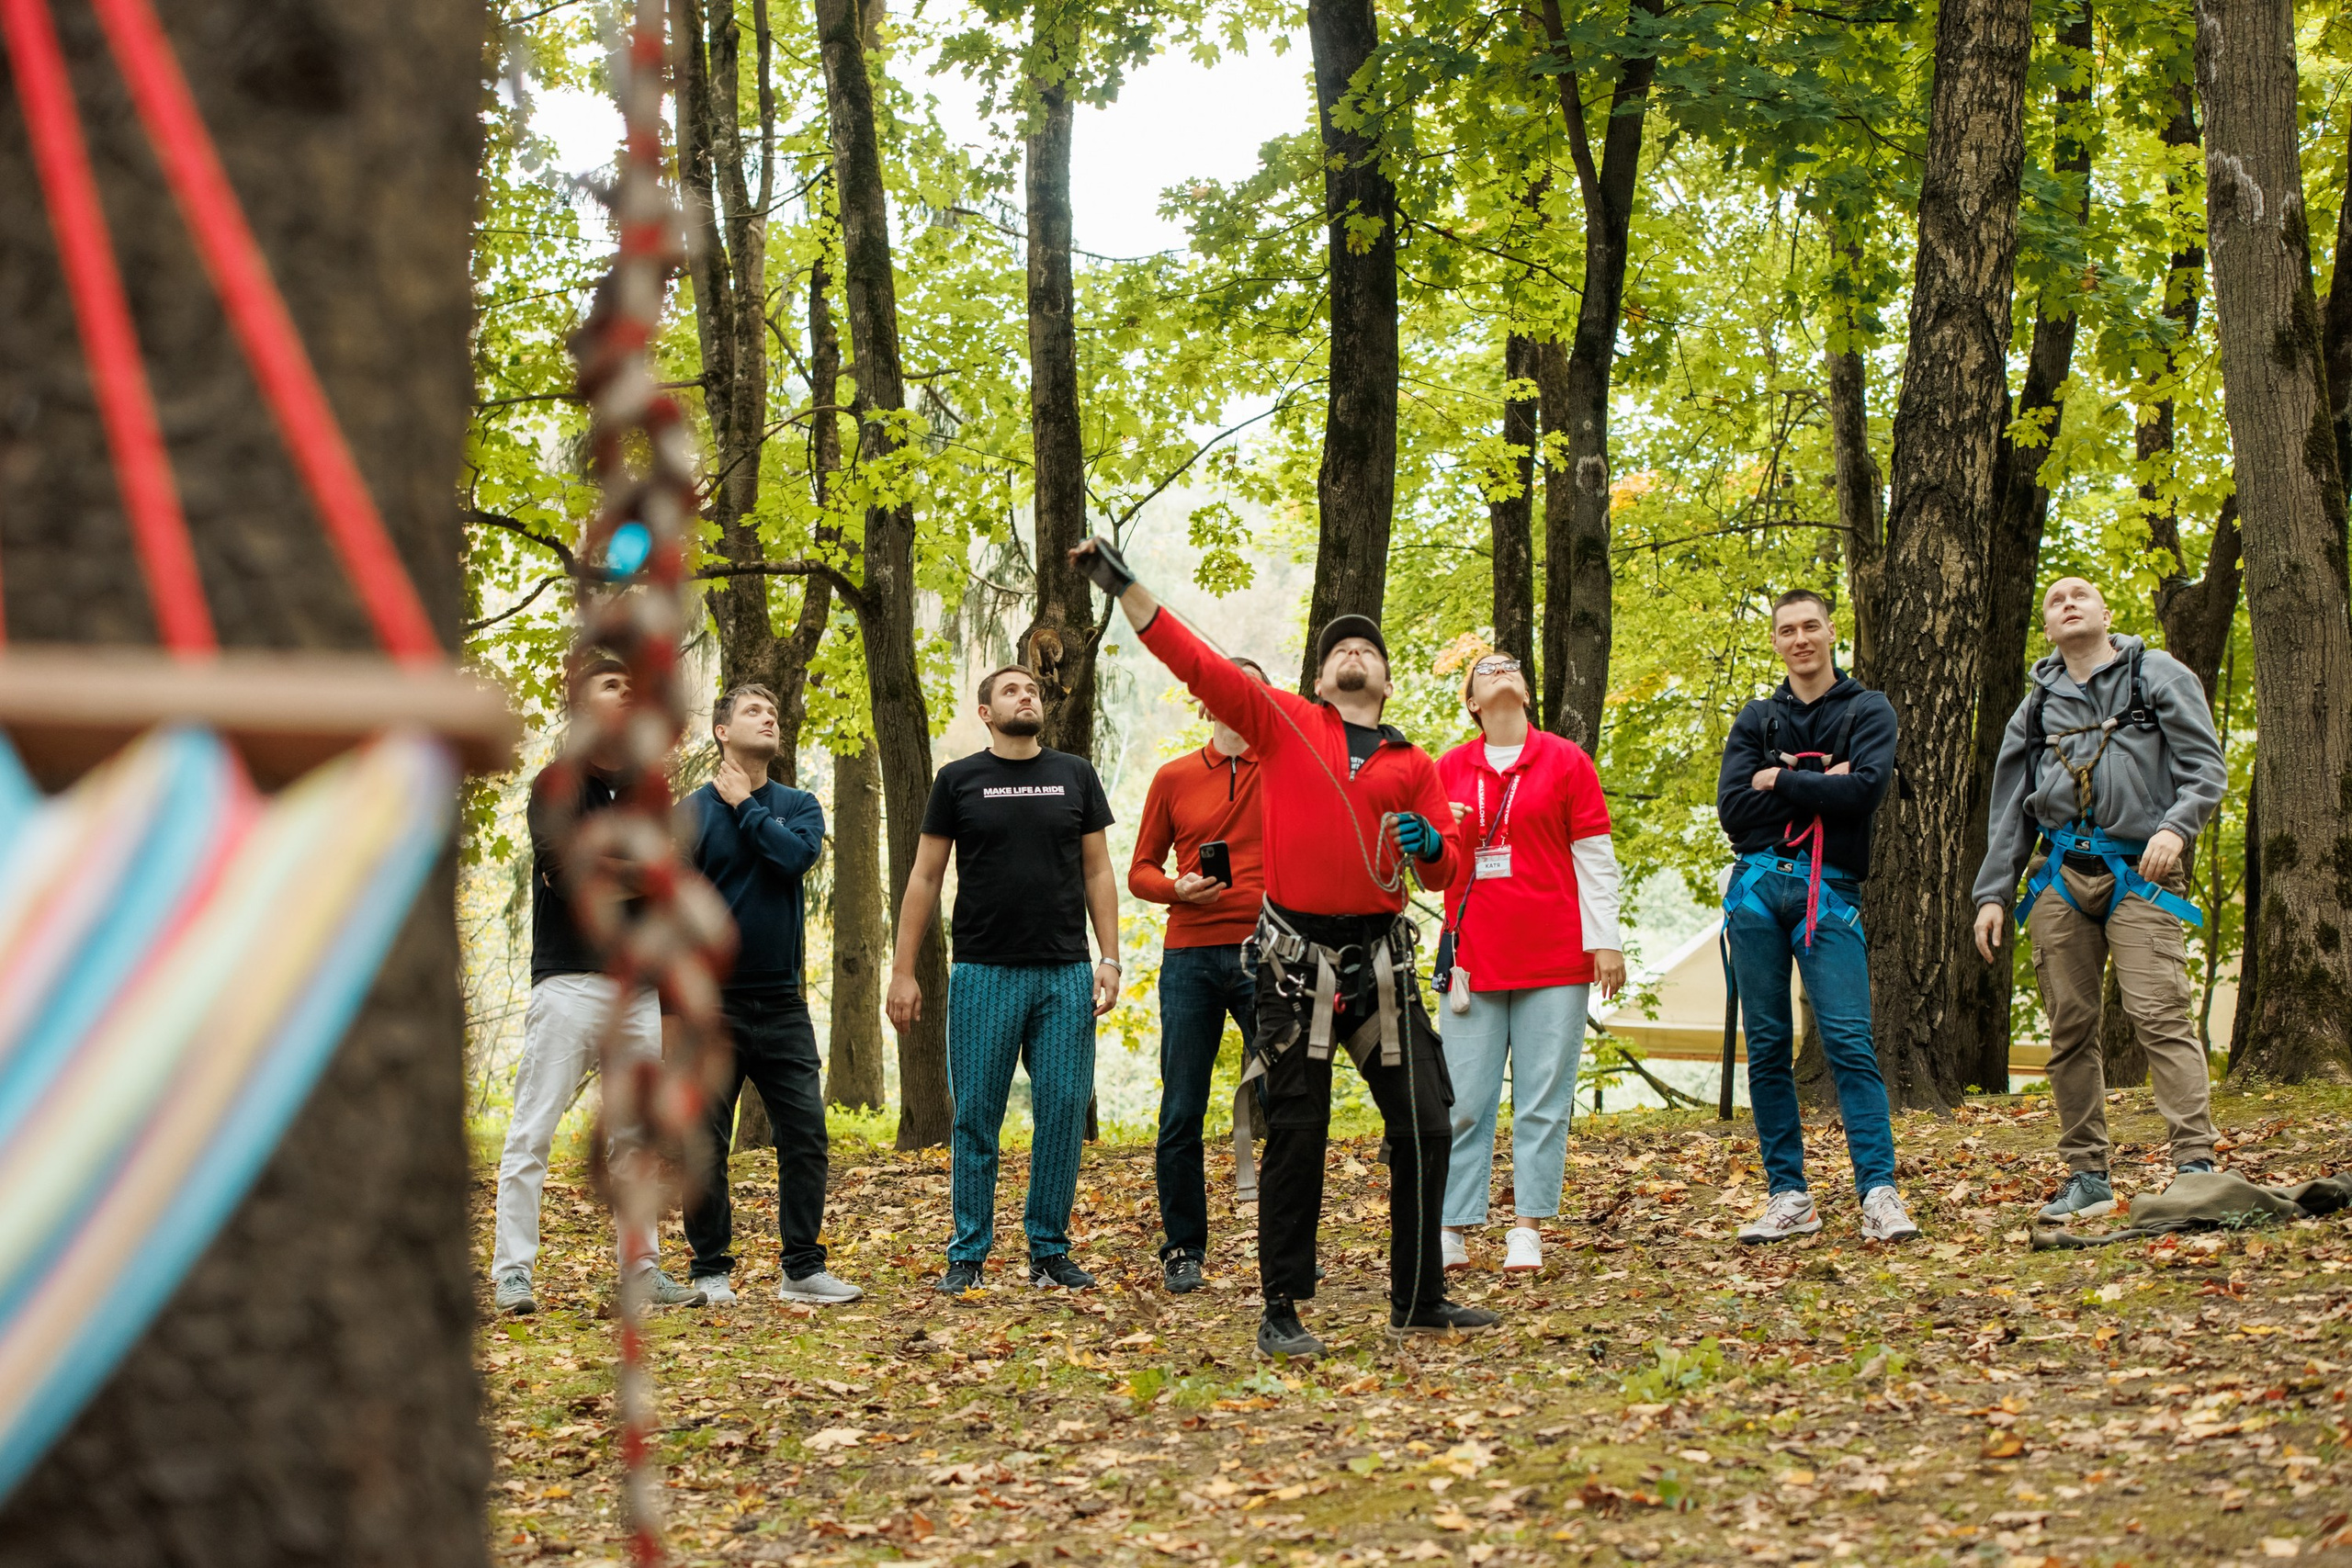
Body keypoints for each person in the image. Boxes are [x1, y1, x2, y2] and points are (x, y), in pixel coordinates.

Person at [1073, 535, 1498, 1359]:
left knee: (1427, 1121)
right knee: (1297, 1128)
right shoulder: (1285, 725)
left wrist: (1428, 844)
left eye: (1367, 648)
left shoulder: (1414, 764)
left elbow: (1449, 870)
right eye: (1339, 646)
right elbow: (1197, 663)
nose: (1353, 652)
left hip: (1380, 961)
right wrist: (1124, 585)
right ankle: (1281, 1307)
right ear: (1317, 679)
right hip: (1294, 961)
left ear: (1384, 677)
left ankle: (1418, 1296)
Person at [1971, 577, 2228, 1221]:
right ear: (2049, 629)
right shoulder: (2034, 708)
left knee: (2159, 1013)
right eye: (2055, 601)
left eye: (2079, 594)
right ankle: (2087, 1176)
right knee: (2070, 1028)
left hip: (2141, 871)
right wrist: (1992, 895)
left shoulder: (2157, 675)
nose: (2067, 603)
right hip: (2059, 877)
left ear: (2106, 613)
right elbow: (2009, 811)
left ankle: (2195, 1164)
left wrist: (2176, 827)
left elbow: (2206, 766)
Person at [888, 665, 1121, 1294]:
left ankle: (1048, 1250)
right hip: (983, 972)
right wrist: (903, 970)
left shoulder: (1075, 774)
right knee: (977, 1116)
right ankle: (967, 1252)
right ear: (986, 711)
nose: (1027, 696)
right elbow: (925, 877)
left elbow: (1099, 871)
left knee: (1066, 1108)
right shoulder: (959, 780)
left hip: (1065, 973)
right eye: (1012, 690)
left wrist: (1110, 956)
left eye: (1033, 690)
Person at [492, 651, 707, 1314]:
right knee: (533, 1131)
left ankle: (643, 1271)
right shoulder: (556, 782)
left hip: (635, 991)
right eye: (610, 683)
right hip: (566, 985)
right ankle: (512, 1275)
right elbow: (570, 870)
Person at [1716, 589, 1919, 1245]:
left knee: (1850, 1041)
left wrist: (1778, 779)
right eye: (1786, 629)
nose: (1800, 638)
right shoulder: (1757, 718)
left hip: (1829, 895)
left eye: (1810, 626)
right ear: (1775, 641)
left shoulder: (1868, 709)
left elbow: (1865, 791)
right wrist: (1820, 781)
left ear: (1831, 631)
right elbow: (1733, 813)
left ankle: (1879, 1193)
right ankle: (1789, 1195)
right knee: (1769, 1045)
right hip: (1755, 895)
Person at [1433, 652, 1627, 1275]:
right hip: (1472, 959)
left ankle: (1528, 1228)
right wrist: (1441, 833)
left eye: (1511, 665)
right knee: (1463, 1099)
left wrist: (1608, 940)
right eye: (1486, 669)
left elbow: (1595, 857)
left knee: (1544, 1096)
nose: (1501, 671)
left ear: (1526, 689)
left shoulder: (1566, 760)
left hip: (1555, 957)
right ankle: (1452, 1226)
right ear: (1471, 702)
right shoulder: (1446, 769)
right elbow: (1422, 863)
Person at [680, 683, 861, 1306]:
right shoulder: (690, 813)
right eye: (754, 711)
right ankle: (709, 1269)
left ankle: (802, 1268)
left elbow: (792, 859)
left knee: (806, 1133)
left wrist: (748, 807)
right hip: (709, 1005)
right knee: (704, 1140)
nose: (769, 718)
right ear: (722, 730)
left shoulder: (798, 804)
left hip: (782, 1003)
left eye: (774, 713)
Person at [1130, 660, 1270, 1293]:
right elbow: (1138, 871)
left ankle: (1286, 1243)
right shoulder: (1174, 776)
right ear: (1204, 700)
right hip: (1190, 954)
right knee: (1182, 1106)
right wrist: (1175, 887)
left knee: (1284, 1101)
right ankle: (1184, 1247)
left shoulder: (1290, 771)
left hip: (1271, 952)